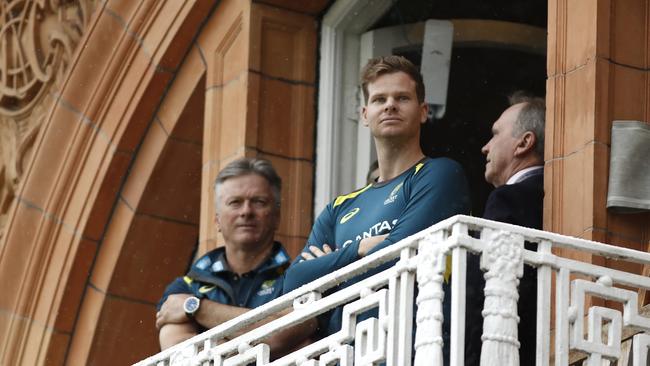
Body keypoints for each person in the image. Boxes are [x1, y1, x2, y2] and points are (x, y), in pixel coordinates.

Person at [282, 56, 471, 349]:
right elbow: (293, 282)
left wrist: (329, 271)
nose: (390, 105)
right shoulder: (340, 207)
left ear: (423, 112)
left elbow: (397, 258)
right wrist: (359, 249)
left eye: (402, 98)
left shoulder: (440, 173)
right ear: (365, 114)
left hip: (417, 348)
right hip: (348, 353)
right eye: (380, 98)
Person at [156, 157, 312, 351]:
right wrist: (264, 338)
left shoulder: (298, 278)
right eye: (235, 202)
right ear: (217, 220)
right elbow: (180, 353)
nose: (246, 211)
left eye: (258, 202)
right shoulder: (184, 287)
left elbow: (279, 335)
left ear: (276, 217)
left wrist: (196, 308)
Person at [465, 91, 545, 365]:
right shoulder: (555, 197)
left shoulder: (508, 198)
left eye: (495, 134)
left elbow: (486, 288)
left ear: (524, 143)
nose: (485, 147)